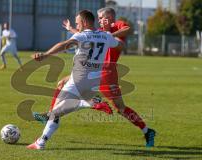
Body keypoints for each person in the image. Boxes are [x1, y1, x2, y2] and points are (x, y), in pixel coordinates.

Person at [34, 7, 156, 147]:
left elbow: (127, 30)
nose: (99, 20)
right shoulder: (100, 32)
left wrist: (108, 31)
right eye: (97, 18)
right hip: (91, 69)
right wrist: (71, 29)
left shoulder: (116, 25)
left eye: (101, 17)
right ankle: (50, 116)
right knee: (62, 83)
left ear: (110, 16)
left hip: (107, 72)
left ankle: (147, 130)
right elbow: (87, 37)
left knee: (120, 108)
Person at [26, 10, 123, 150]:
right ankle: (41, 141)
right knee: (56, 112)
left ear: (84, 22)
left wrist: (46, 54)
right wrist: (108, 35)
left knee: (55, 112)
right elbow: (120, 45)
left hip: (78, 79)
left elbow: (64, 44)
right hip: (95, 81)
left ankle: (87, 103)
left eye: (78, 23)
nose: (77, 26)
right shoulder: (105, 36)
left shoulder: (82, 36)